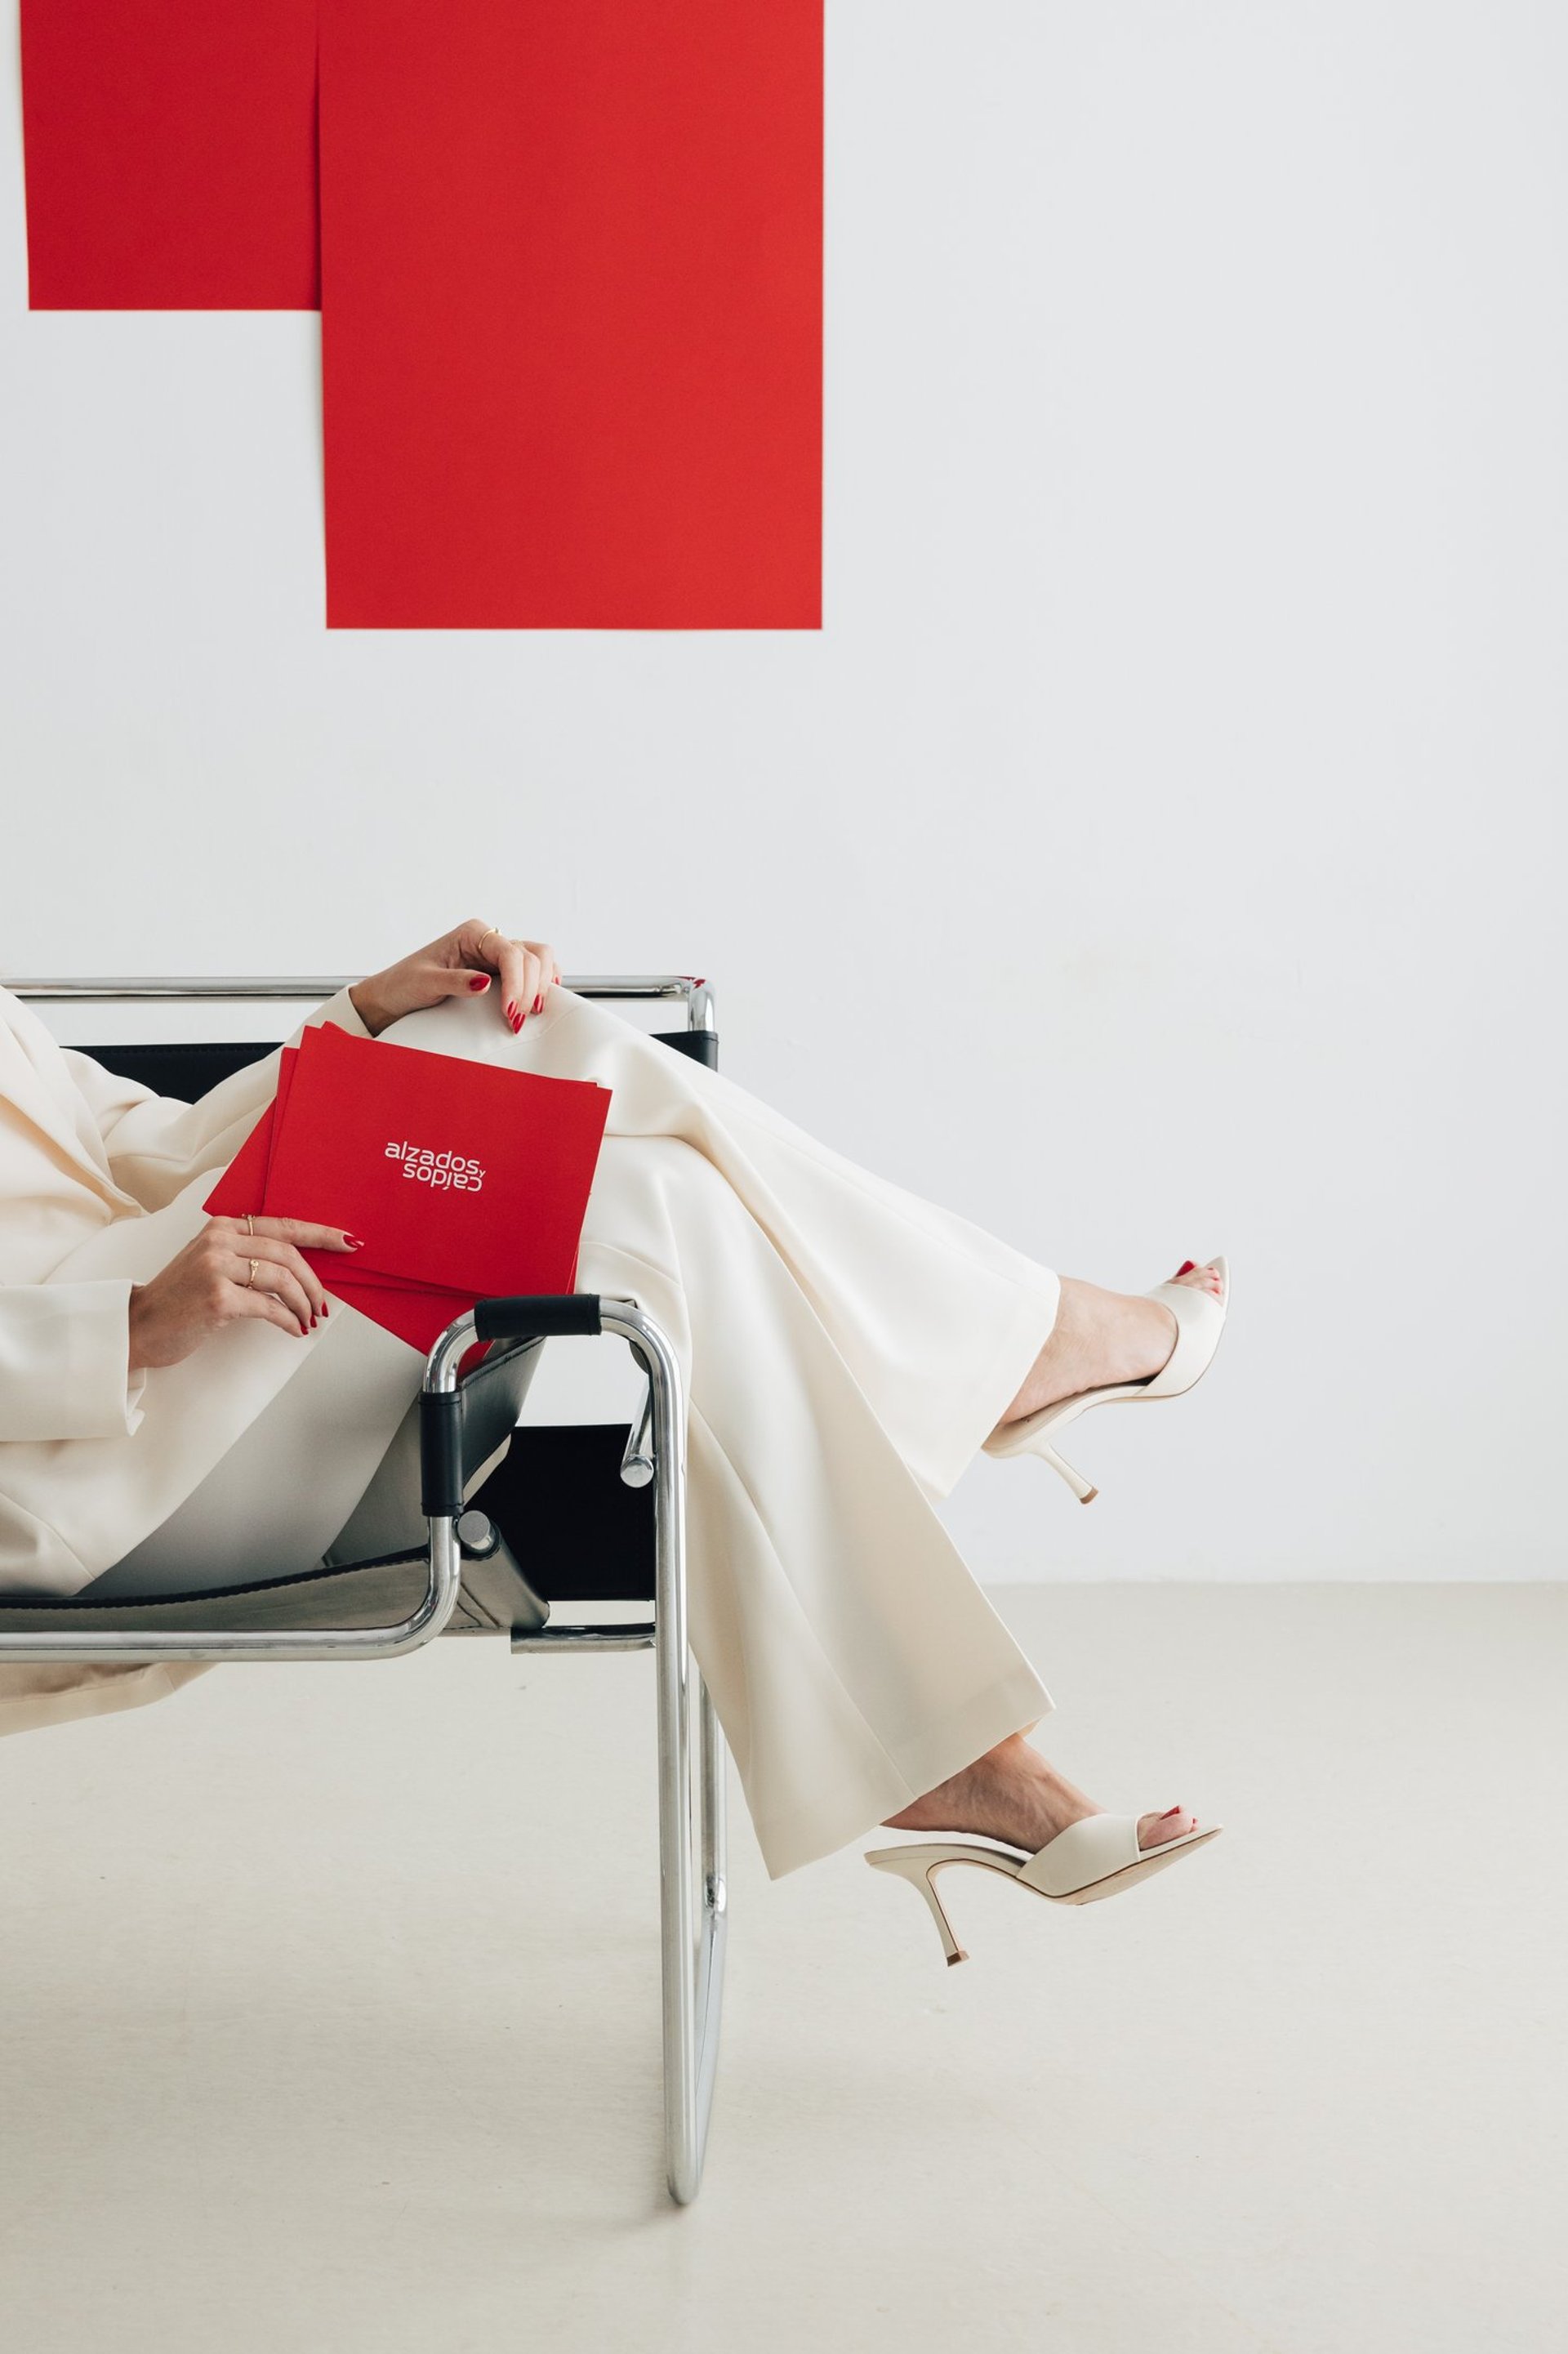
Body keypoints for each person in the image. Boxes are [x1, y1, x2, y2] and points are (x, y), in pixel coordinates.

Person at [0, 921, 1227, 1948]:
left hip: (205, 1381)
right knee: (490, 1041)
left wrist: (364, 1018)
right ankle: (1020, 1346)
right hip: (87, 1464)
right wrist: (126, 1329)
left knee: (643, 1186)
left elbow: (135, 1154)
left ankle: (953, 1747)